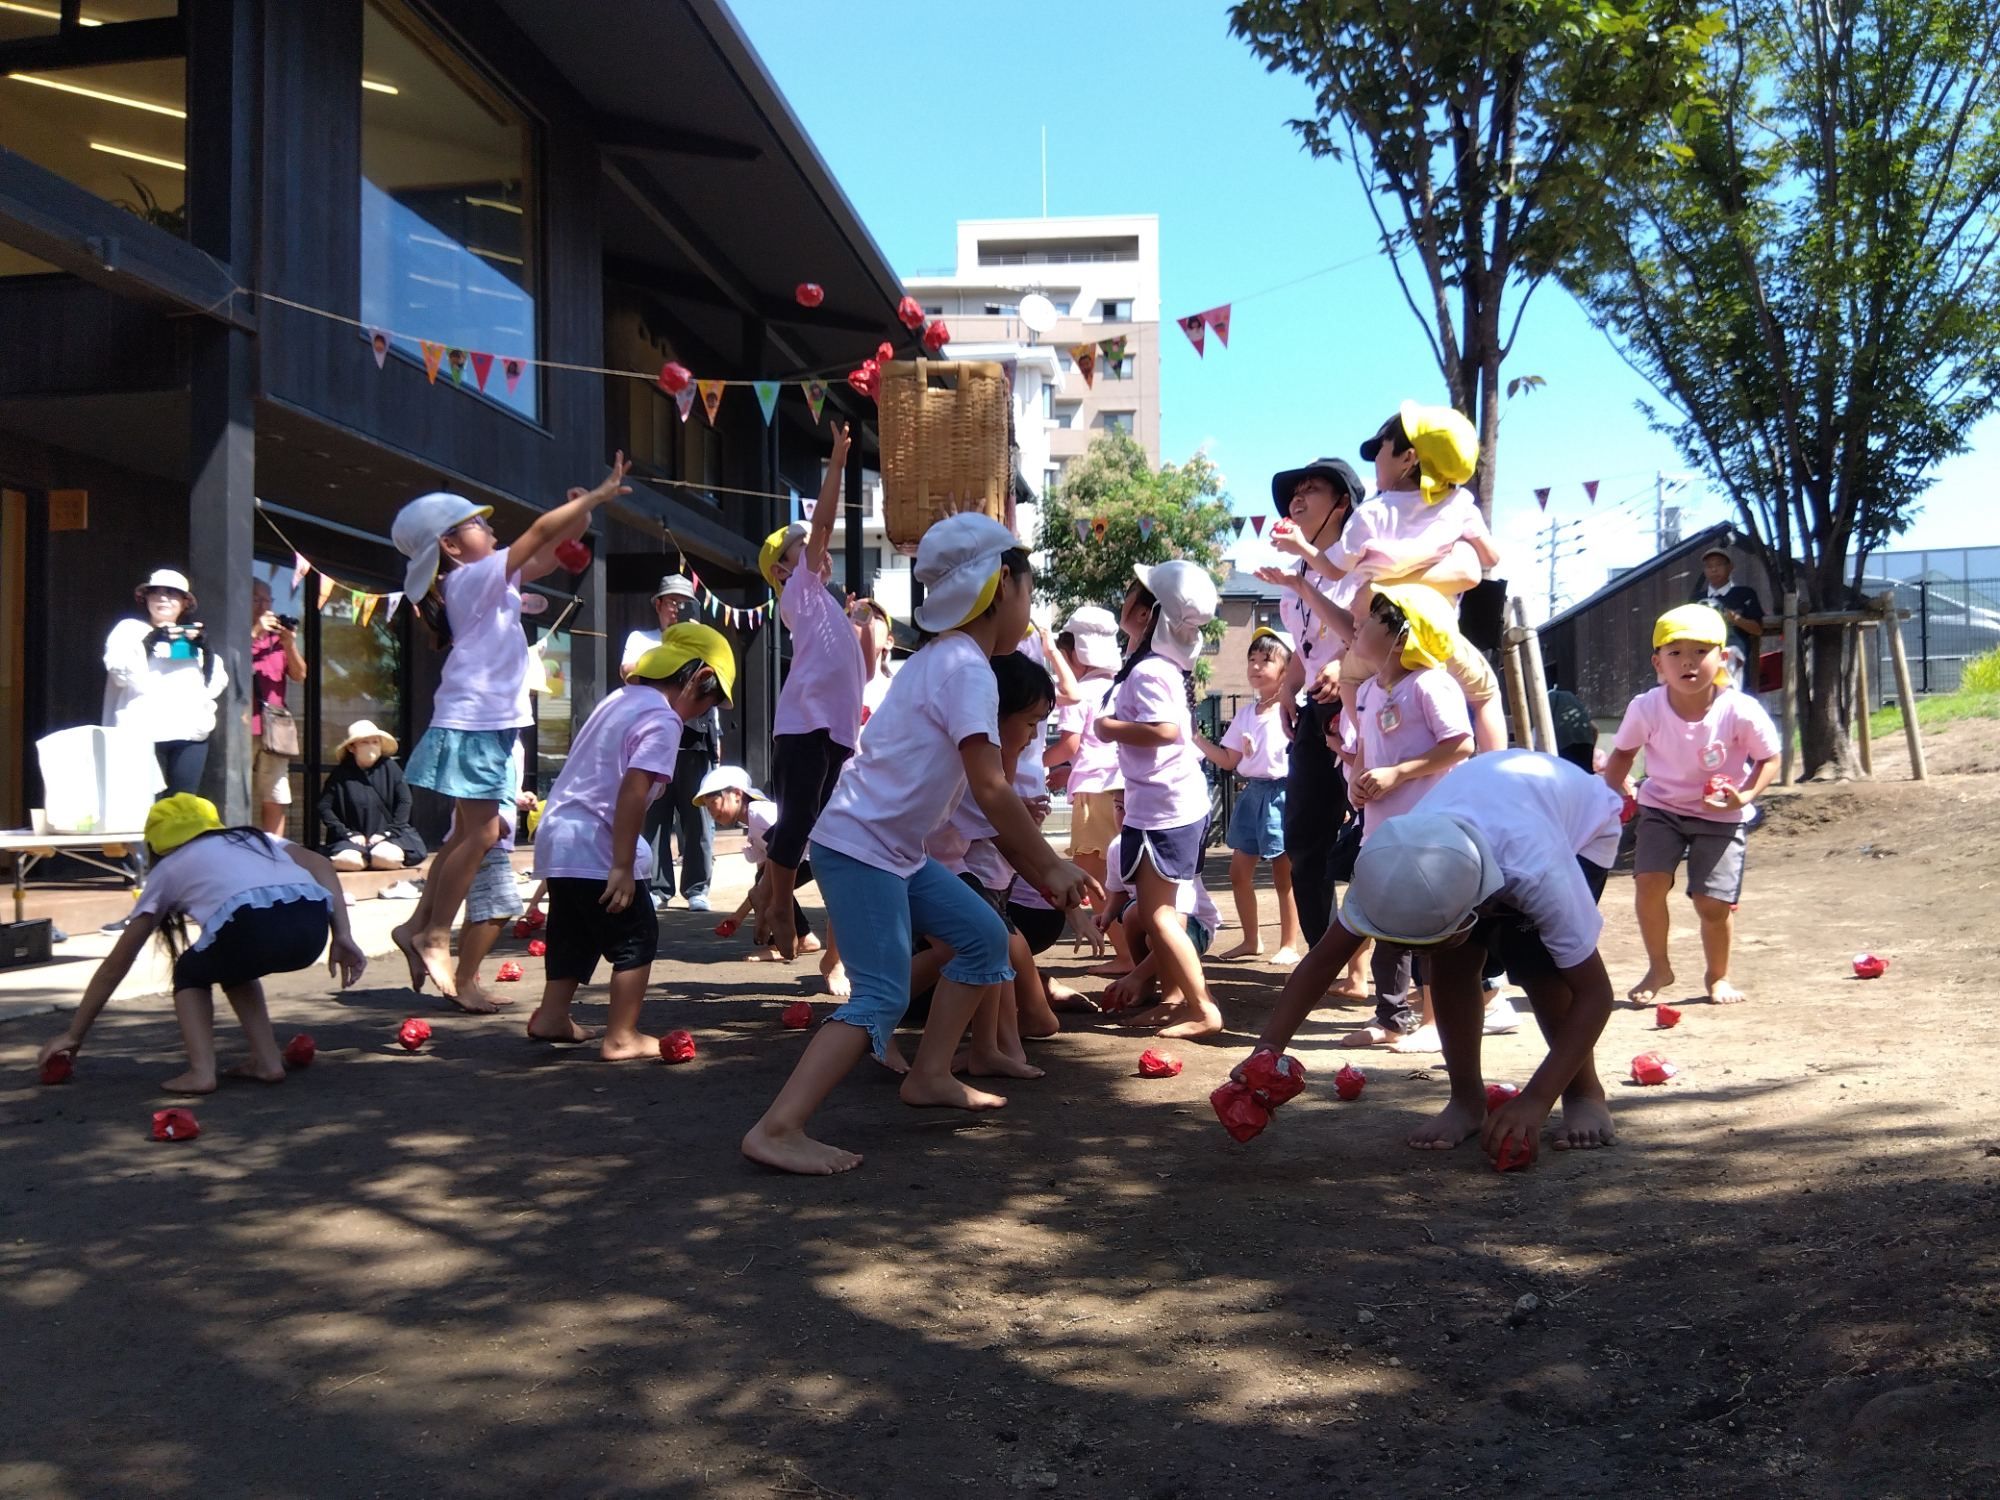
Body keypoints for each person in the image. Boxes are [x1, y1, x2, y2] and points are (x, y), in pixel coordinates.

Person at [740, 513, 1099, 1176]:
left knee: (985, 939)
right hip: (862, 847)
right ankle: (777, 1128)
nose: (1029, 603)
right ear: (1003, 584)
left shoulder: (946, 660)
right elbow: (990, 788)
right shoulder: (967, 670)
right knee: (878, 995)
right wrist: (1049, 864)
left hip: (894, 851)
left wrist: (1044, 864)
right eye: (1028, 588)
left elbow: (986, 795)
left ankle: (930, 1074)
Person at [1238, 750, 1624, 1168]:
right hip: (1493, 818)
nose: (1416, 956)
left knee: (1540, 966)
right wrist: (1267, 1049)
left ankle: (1584, 1094)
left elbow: (1595, 994)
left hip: (1579, 826)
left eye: (1426, 942)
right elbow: (1322, 962)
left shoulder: (1537, 872)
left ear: (1474, 909)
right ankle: (1467, 1100)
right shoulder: (1388, 867)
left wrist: (1535, 1099)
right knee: (1451, 961)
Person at [388, 455, 631, 998]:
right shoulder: (471, 578)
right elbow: (539, 533)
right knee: (484, 833)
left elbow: (550, 551)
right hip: (476, 721)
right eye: (478, 524)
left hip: (482, 722)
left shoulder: (484, 580)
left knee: (466, 835)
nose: (491, 529)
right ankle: (433, 934)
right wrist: (596, 496)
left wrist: (581, 517)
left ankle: (418, 924)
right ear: (450, 546)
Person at [37, 794, 366, 1094]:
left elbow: (116, 965)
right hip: (312, 927)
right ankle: (267, 1061)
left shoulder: (169, 867)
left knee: (191, 970)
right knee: (230, 962)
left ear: (158, 845)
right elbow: (321, 864)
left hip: (252, 927)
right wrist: (343, 935)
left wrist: (74, 1034)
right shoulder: (254, 837)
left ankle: (202, 1072)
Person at [524, 625, 735, 1059]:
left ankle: (552, 1015)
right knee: (637, 933)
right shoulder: (663, 718)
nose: (699, 715)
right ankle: (621, 1036)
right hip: (598, 843)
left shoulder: (618, 700)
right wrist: (621, 865)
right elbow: (634, 790)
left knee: (573, 931)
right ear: (699, 679)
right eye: (708, 703)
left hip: (560, 835)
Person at [1603, 604, 1780, 1007]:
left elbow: (1769, 758)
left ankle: (1718, 977)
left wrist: (1744, 796)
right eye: (1675, 653)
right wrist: (1605, 799)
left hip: (1721, 814)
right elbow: (1623, 754)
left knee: (1711, 904)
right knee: (1649, 883)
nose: (1688, 662)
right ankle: (1659, 968)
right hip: (1661, 808)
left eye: (1700, 651)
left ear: (1723, 657)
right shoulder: (1646, 707)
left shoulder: (1739, 709)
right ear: (1658, 663)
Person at [1334, 586, 1475, 1049]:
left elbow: (1461, 744)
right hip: (1380, 831)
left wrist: (1399, 773)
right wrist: (1355, 784)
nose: (1359, 622)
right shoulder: (1367, 691)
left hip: (1430, 832)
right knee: (1384, 925)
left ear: (1402, 636)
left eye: (1374, 616)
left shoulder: (1431, 683)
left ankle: (1434, 1022)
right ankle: (1391, 1018)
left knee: (1434, 927)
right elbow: (1363, 751)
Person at [1250, 459, 1368, 990]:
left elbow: (1366, 634)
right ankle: (1328, 958)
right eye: (1292, 492)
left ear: (1342, 503)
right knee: (1304, 839)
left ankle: (1385, 970)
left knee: (1373, 836)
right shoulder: (1295, 579)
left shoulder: (1363, 563)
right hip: (1316, 713)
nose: (1296, 500)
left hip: (1366, 710)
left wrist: (1346, 664)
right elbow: (1305, 649)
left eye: (1311, 489)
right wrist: (1286, 690)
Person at [1094, 561, 1223, 1040]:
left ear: (1146, 615)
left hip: (1164, 808)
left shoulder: (1149, 670)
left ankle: (1202, 1008)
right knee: (1154, 914)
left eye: (1134, 591)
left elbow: (1167, 731)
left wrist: (1107, 728)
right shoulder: (1157, 666)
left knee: (1159, 915)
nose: (1125, 597)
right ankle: (1176, 1001)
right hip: (1166, 804)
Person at [760, 422, 863, 967]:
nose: (814, 549)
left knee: (820, 831)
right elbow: (823, 522)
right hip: (805, 725)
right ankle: (779, 905)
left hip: (836, 732)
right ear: (784, 570)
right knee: (799, 823)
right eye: (801, 550)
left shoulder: (824, 603)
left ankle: (769, 895)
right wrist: (837, 462)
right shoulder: (798, 592)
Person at [1192, 626, 1304, 966]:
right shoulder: (1244, 713)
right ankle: (1251, 940)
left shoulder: (1297, 708)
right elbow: (1229, 760)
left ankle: (1289, 944)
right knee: (1238, 873)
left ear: (1289, 667)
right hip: (1253, 794)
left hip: (1286, 794)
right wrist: (1196, 738)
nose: (1255, 666)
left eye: (1265, 660)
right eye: (1251, 659)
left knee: (1284, 876)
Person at [622, 574, 720, 912]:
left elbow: (712, 685)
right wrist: (671, 650)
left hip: (695, 736)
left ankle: (697, 888)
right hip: (651, 732)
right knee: (655, 815)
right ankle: (658, 887)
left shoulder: (702, 641)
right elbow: (628, 671)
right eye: (672, 602)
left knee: (697, 817)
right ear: (659, 605)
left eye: (685, 603)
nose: (678, 609)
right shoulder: (642, 639)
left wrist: (716, 738)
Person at [1049, 606, 1131, 975]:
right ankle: (1137, 950)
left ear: (1075, 655)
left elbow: (1070, 744)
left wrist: (1032, 761)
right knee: (1125, 875)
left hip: (1093, 792)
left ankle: (1126, 955)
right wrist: (1069, 770)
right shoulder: (1122, 684)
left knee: (1093, 878)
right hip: (1124, 788)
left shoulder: (1079, 692)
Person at [102, 568, 231, 798]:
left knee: (183, 806)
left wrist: (206, 650)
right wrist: (148, 642)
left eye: (172, 593)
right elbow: (119, 674)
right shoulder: (130, 630)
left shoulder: (191, 638)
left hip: (189, 733)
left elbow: (213, 687)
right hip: (143, 733)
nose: (163, 598)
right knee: (144, 807)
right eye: (156, 592)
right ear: (146, 599)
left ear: (185, 603)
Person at [450, 742, 535, 1012]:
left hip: (489, 830)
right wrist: (489, 816)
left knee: (478, 913)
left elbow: (503, 782)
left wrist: (518, 798)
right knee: (499, 906)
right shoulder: (492, 728)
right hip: (483, 831)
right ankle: (463, 982)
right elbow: (468, 773)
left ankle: (467, 982)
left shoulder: (512, 736)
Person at [316, 720, 426, 870]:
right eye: (365, 742)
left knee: (386, 858)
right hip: (351, 839)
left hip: (388, 836)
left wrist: (388, 832)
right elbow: (324, 807)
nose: (371, 746)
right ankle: (364, 860)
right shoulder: (340, 775)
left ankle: (372, 859)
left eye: (375, 742)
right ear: (351, 748)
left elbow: (405, 801)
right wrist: (347, 833)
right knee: (348, 861)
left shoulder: (390, 768)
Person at [250, 577, 307, 835]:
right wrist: (255, 633)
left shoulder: (277, 640)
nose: (264, 606)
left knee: (275, 793)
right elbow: (229, 661)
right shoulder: (234, 631)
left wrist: (289, 644)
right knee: (237, 790)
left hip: (274, 727)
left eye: (268, 600)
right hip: (242, 725)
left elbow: (300, 674)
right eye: (256, 599)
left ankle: (274, 852)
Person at [1690, 545, 1765, 682]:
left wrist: (1735, 619)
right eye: (1709, 566)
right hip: (1701, 653)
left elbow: (1758, 629)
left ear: (1730, 567)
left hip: (1733, 654)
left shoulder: (1744, 594)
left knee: (1727, 675)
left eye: (1719, 564)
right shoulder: (1696, 599)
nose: (1714, 569)